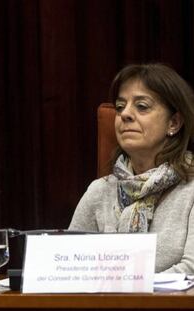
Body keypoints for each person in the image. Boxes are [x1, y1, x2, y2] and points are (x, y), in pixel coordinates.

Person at [69, 63, 194, 273]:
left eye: (142, 106)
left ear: (173, 123)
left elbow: (191, 271)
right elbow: (67, 266)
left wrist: (129, 290)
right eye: (120, 107)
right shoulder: (99, 191)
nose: (125, 114)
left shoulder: (190, 190)